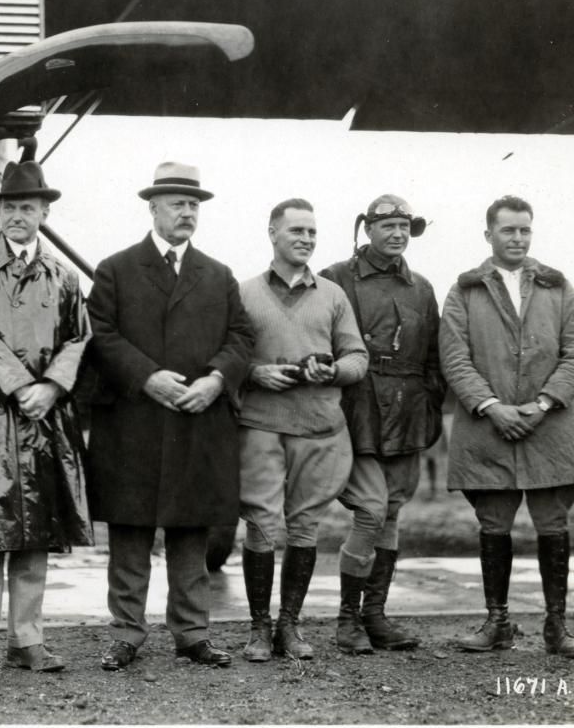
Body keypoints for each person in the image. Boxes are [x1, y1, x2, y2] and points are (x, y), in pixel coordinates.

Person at [86, 162, 254, 671]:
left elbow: (241, 337)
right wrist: (146, 377)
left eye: (194, 205)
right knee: (130, 530)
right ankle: (126, 634)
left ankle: (192, 633)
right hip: (134, 420)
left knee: (191, 531)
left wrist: (216, 379)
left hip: (196, 418)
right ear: (153, 208)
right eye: (177, 203)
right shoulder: (114, 269)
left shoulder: (218, 274)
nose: (187, 212)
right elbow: (101, 333)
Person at [0, 161, 93, 678]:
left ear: (44, 213)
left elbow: (79, 337)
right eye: (8, 207)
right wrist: (21, 385)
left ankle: (28, 638)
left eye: (26, 208)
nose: (15, 216)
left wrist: (52, 386)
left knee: (37, 536)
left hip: (46, 419)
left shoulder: (64, 276)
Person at [441, 195, 574, 658]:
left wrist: (543, 402)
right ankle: (496, 622)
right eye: (508, 230)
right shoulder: (465, 291)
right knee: (492, 522)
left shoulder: (558, 287)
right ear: (489, 235)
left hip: (550, 427)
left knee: (553, 523)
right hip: (487, 428)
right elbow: (454, 358)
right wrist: (491, 405)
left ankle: (557, 627)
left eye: (524, 230)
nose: (517, 238)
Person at [236, 198, 368, 662]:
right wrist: (254, 373)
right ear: (272, 233)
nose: (306, 239)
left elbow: (357, 357)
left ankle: (289, 626)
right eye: (296, 231)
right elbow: (226, 355)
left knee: (305, 523)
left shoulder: (332, 295)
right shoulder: (245, 292)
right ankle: (258, 628)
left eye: (312, 232)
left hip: (318, 425)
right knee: (261, 522)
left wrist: (333, 372)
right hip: (261, 424)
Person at [319, 195, 445, 654]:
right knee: (371, 509)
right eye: (387, 225)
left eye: (404, 226)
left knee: (391, 511)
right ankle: (347, 619)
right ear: (367, 229)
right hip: (357, 409)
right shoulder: (335, 278)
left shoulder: (422, 288)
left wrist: (428, 405)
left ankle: (374, 616)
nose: (397, 233)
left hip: (407, 410)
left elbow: (434, 358)